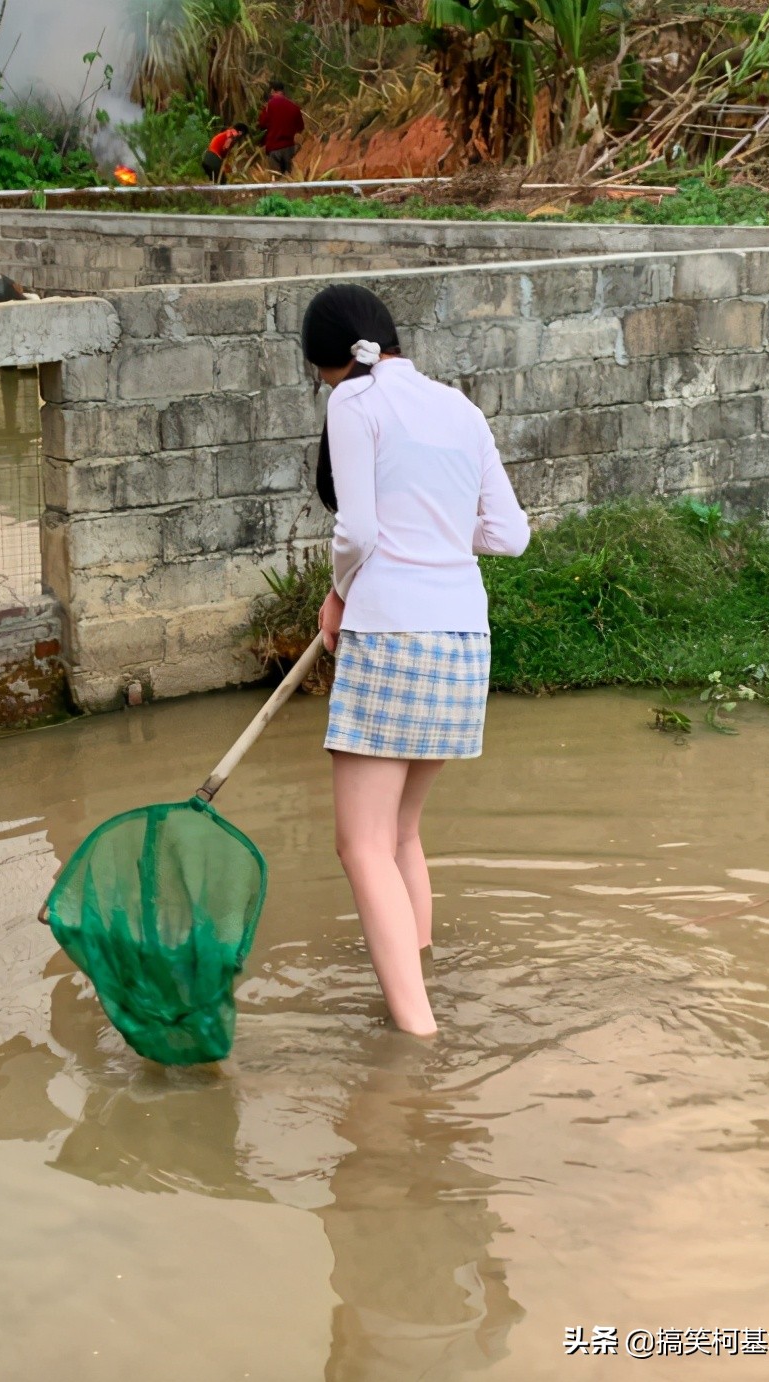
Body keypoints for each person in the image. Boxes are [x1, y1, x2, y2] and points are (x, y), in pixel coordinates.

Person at [301, 284, 530, 1037]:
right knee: (400, 835)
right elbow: (509, 534)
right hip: (464, 642)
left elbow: (359, 531)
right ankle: (418, 970)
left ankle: (417, 1035)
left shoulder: (352, 402)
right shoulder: (461, 409)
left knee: (360, 843)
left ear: (326, 366)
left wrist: (338, 595)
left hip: (393, 635)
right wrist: (432, 531)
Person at [259, 80, 304, 177]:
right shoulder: (294, 107)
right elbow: (300, 128)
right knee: (289, 178)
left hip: (274, 148)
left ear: (272, 91)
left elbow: (262, 124)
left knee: (276, 180)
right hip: (289, 148)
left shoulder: (269, 106)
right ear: (283, 91)